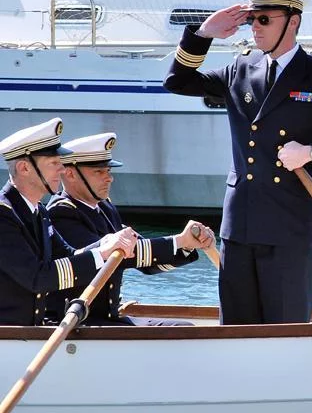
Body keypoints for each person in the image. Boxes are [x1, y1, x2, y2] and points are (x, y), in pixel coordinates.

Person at [163, 0, 312, 324]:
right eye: (251, 19)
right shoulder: (241, 68)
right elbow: (177, 82)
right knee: (234, 329)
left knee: (285, 330)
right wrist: (204, 33)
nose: (254, 27)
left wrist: (311, 154)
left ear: (292, 21)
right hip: (239, 226)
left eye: (264, 19)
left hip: (288, 227)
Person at [45, 132, 215, 326]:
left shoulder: (105, 208)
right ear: (71, 174)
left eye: (108, 171)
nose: (109, 178)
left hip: (106, 319)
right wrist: (179, 241)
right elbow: (122, 257)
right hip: (78, 322)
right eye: (99, 172)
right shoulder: (61, 213)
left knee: (183, 329)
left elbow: (147, 263)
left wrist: (186, 246)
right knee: (180, 330)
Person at [0, 118, 137, 326]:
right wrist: (101, 253)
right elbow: (37, 277)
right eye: (54, 163)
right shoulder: (4, 215)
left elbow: (68, 255)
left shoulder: (39, 212)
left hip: (27, 334)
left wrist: (106, 246)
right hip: (11, 336)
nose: (62, 170)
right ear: (24, 168)